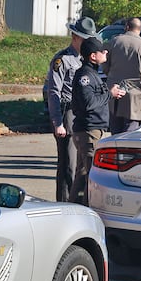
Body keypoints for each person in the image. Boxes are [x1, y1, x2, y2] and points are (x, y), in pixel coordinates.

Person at [68, 37, 125, 205]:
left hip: (92, 131)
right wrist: (109, 94)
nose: (105, 52)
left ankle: (74, 207)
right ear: (93, 56)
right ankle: (82, 209)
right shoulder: (85, 76)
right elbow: (88, 103)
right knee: (91, 175)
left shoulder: (92, 74)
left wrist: (110, 92)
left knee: (83, 174)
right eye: (102, 51)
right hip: (88, 132)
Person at [45, 16, 96, 202]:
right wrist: (57, 122)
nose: (88, 43)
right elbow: (53, 92)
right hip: (68, 114)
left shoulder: (87, 59)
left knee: (82, 166)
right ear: (75, 37)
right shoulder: (62, 60)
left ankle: (77, 203)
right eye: (85, 39)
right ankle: (64, 204)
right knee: (68, 165)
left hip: (83, 115)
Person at [102, 17, 141, 134]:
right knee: (131, 133)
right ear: (140, 29)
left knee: (115, 133)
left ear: (127, 27)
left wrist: (112, 78)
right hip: (136, 96)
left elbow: (105, 65)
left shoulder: (113, 42)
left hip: (114, 93)